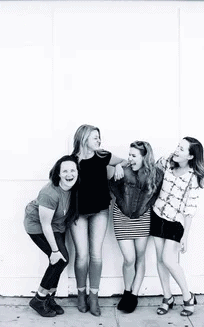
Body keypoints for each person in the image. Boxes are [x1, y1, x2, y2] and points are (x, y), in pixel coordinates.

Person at [68, 124, 127, 317]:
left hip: (100, 210)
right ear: (84, 138)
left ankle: (94, 296)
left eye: (99, 137)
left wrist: (117, 165)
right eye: (95, 137)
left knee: (96, 255)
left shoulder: (104, 156)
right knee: (82, 255)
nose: (99, 141)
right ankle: (81, 294)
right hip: (78, 213)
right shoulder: (71, 161)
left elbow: (126, 161)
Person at [150, 137, 204, 317]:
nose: (177, 150)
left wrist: (185, 237)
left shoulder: (194, 177)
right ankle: (167, 298)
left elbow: (190, 209)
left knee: (169, 260)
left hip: (176, 221)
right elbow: (151, 172)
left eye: (182, 149)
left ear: (190, 156)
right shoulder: (167, 162)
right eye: (178, 146)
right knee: (160, 259)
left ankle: (188, 297)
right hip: (157, 214)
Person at [108, 141, 164, 313]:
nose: (129, 158)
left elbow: (157, 195)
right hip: (122, 218)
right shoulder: (123, 171)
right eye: (129, 154)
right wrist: (119, 165)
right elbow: (112, 191)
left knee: (140, 257)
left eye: (134, 155)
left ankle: (133, 295)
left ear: (144, 157)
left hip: (143, 218)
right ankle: (127, 290)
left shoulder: (157, 174)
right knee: (129, 259)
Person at [24, 155, 80, 317]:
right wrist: (54, 251)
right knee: (60, 259)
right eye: (65, 171)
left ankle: (49, 298)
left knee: (60, 261)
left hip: (56, 225)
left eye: (73, 170)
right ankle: (39, 299)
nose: (69, 174)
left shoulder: (74, 188)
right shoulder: (49, 193)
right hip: (38, 226)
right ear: (58, 174)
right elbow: (45, 224)